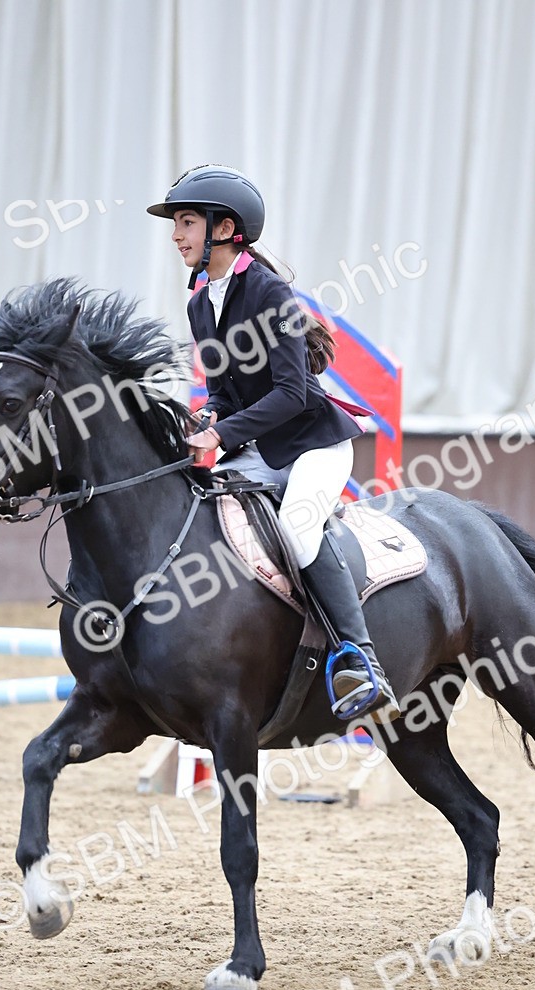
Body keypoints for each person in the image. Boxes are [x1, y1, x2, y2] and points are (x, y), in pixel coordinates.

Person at [147, 164, 400, 721]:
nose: (176, 235)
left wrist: (220, 432)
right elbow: (220, 392)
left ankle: (361, 659)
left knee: (296, 530)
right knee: (212, 526)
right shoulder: (198, 304)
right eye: (177, 223)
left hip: (313, 445)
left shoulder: (270, 294)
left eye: (186, 222)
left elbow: (291, 393)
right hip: (258, 451)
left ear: (225, 227)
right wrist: (197, 421)